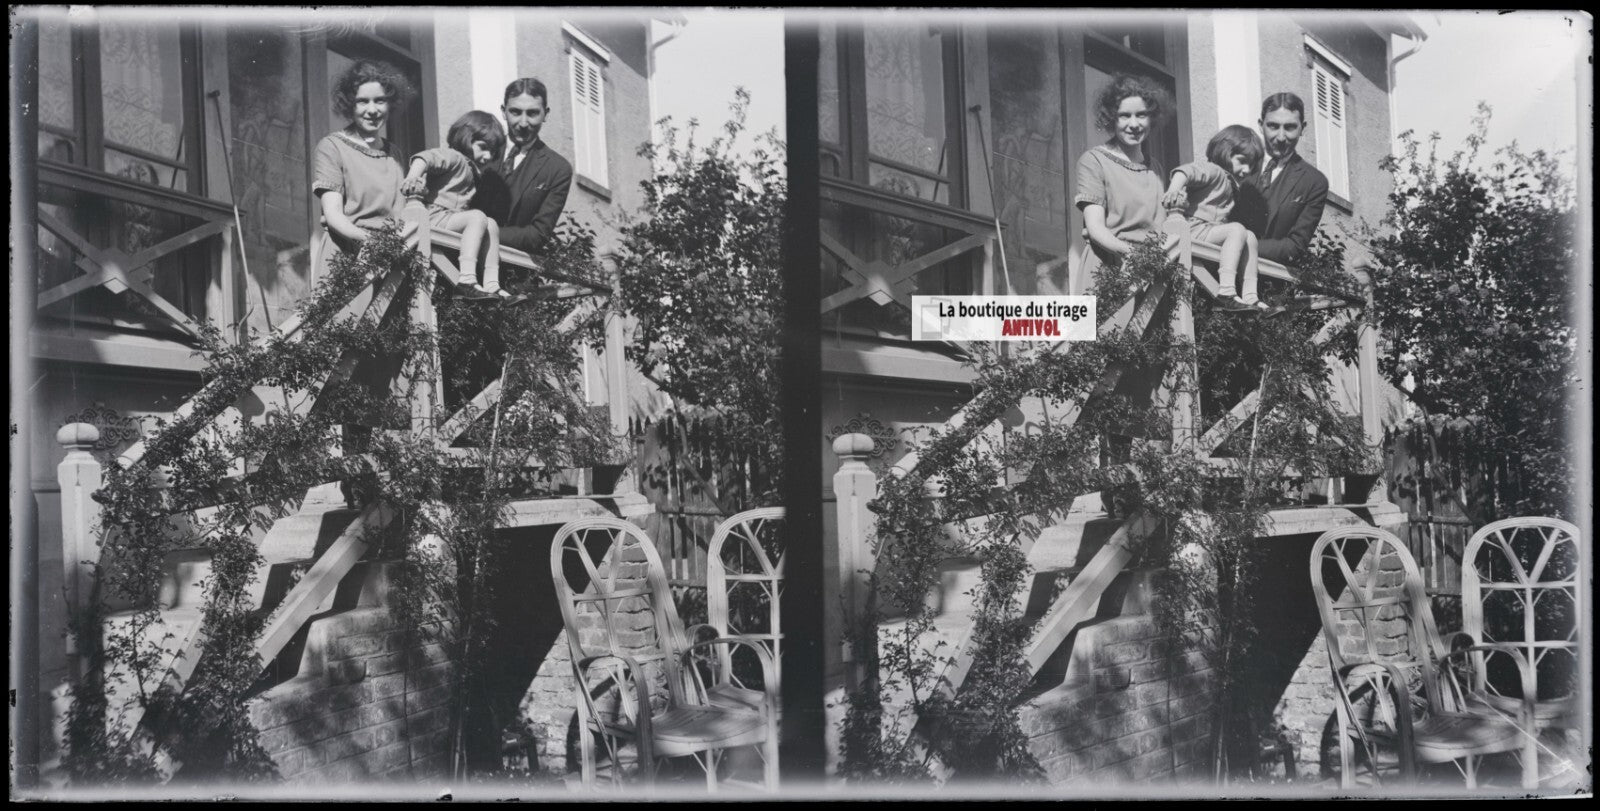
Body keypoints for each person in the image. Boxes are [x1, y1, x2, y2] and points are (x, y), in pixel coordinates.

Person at [399, 110, 522, 302]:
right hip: (434, 216)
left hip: (448, 219)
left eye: (492, 152)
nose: (488, 156)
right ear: (466, 138)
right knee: (478, 217)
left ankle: (492, 285)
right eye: (482, 147)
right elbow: (425, 158)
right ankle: (466, 281)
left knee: (491, 224)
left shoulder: (473, 171)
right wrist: (412, 177)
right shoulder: (453, 157)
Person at [311, 60, 416, 277]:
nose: (372, 110)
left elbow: (400, 214)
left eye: (380, 101)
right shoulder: (332, 147)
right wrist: (371, 242)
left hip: (390, 258)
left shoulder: (394, 153)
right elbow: (333, 215)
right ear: (350, 104)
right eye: (362, 102)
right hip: (347, 255)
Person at [1074, 74, 1173, 294]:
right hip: (1109, 268)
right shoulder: (1094, 161)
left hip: (1150, 272)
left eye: (1141, 115)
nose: (1134, 124)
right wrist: (1131, 253)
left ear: (1152, 117)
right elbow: (1095, 227)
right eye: (1124, 116)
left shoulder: (1155, 168)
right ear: (1111, 118)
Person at [1162, 125, 1278, 314]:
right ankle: (1226, 293)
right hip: (1193, 229)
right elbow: (1185, 171)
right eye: (1241, 161)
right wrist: (1173, 190)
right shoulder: (1213, 170)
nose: (1246, 169)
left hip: (1207, 231)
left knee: (1250, 237)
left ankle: (1251, 297)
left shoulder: (1231, 183)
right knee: (1237, 229)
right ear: (1225, 153)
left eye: (1251, 165)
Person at [474, 78, 573, 256]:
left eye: (533, 113)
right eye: (515, 112)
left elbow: (537, 235)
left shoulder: (557, 169)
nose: (523, 123)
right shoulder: (481, 148)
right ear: (503, 111)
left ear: (546, 114)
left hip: (514, 273)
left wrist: (478, 231)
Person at [1235, 92, 1329, 267]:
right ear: (1260, 125)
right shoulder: (1238, 163)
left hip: (1271, 283)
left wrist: (1237, 244)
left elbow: (1295, 246)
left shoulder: (1314, 182)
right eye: (1273, 126)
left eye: (1290, 127)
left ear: (1303, 128)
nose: (1280, 137)